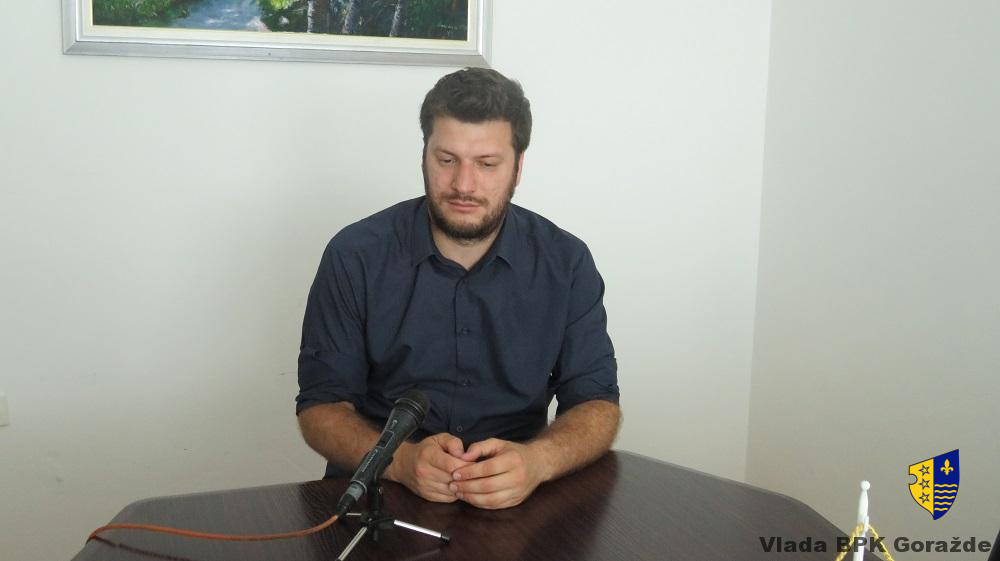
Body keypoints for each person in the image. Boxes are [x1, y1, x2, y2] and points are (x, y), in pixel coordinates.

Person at [296, 67, 621, 510]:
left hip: (517, 499)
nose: (464, 185)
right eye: (447, 160)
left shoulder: (566, 262)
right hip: (380, 495)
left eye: (487, 164)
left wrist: (538, 461)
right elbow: (321, 407)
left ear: (518, 167)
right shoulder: (354, 255)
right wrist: (398, 462)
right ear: (424, 156)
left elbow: (598, 403)